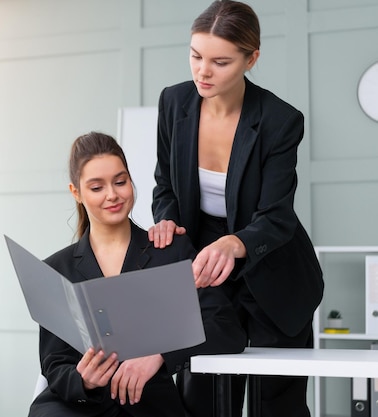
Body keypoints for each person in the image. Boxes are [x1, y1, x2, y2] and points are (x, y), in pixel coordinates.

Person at [148, 1, 324, 416]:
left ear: (251, 59)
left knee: (275, 407)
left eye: (220, 61)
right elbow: (164, 186)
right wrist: (167, 221)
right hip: (205, 276)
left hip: (273, 275)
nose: (202, 72)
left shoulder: (280, 120)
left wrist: (234, 243)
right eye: (195, 56)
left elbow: (276, 216)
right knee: (200, 401)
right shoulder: (173, 103)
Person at [29, 131, 245, 417]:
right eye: (97, 188)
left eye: (120, 181)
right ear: (76, 193)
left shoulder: (169, 252)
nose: (112, 195)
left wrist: (161, 355)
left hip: (147, 406)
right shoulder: (57, 269)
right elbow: (55, 362)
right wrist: (84, 380)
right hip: (79, 407)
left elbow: (226, 327)